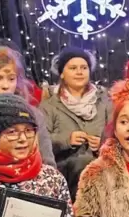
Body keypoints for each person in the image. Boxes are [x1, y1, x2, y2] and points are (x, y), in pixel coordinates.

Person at [40, 46, 112, 200]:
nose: (79, 72)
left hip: (102, 166)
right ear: (62, 73)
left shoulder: (104, 101)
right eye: (73, 68)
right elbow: (40, 141)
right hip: (65, 170)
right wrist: (67, 140)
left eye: (84, 68)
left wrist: (102, 144)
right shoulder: (50, 105)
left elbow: (116, 132)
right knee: (82, 163)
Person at [0, 46, 55, 166]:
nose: (5, 86)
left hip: (29, 181)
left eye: (11, 79)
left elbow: (47, 161)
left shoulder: (32, 115)